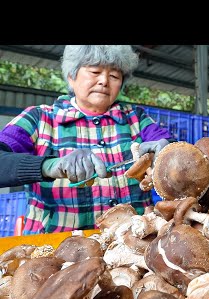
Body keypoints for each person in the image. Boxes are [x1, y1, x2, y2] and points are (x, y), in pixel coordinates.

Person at [0, 45, 171, 234]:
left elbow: (168, 146)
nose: (104, 81)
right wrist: (49, 166)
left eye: (114, 76)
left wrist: (167, 151)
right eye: (95, 71)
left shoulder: (136, 118)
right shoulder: (38, 118)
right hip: (55, 249)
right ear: (71, 77)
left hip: (131, 243)